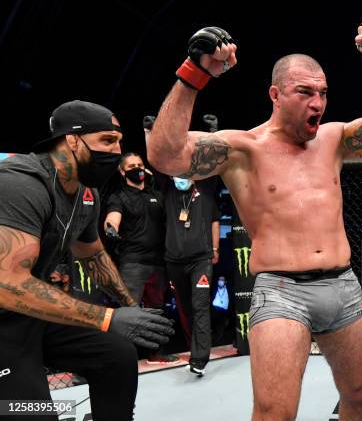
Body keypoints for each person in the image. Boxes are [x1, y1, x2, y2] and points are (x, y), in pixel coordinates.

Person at [146, 19, 362, 420]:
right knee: (275, 412)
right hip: (283, 293)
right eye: (305, 92)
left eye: (323, 93)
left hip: (342, 286)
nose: (317, 103)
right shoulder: (244, 149)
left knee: (358, 395)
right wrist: (193, 73)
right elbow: (165, 156)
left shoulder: (334, 138)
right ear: (275, 94)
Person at [0, 100, 174, 421]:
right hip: (5, 318)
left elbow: (93, 256)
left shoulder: (85, 193)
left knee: (117, 355)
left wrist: (129, 308)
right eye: (107, 141)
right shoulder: (22, 183)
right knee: (31, 411)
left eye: (119, 141)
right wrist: (108, 318)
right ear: (72, 140)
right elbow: (8, 286)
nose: (117, 151)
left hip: (32, 314)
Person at [104, 152, 178, 364]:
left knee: (157, 311)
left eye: (140, 165)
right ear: (122, 171)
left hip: (158, 262)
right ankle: (121, 360)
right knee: (128, 313)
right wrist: (111, 228)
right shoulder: (118, 197)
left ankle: (156, 353)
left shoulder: (157, 195)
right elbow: (112, 218)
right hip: (132, 263)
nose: (137, 168)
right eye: (131, 166)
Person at [163, 174, 221, 376]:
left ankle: (199, 359)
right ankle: (192, 347)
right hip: (174, 262)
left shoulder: (205, 193)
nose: (181, 178)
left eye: (185, 175)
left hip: (201, 261)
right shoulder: (168, 193)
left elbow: (215, 220)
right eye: (177, 175)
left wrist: (215, 248)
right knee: (187, 308)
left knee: (200, 305)